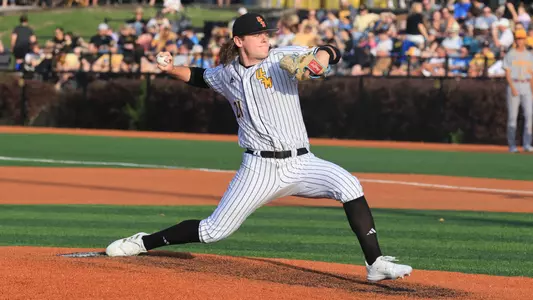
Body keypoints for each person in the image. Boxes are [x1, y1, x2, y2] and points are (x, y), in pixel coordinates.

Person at [104, 13, 413, 283]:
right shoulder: (228, 73)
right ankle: (143, 242)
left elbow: (327, 52)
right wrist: (171, 69)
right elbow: (200, 77)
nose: (266, 40)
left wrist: (323, 57)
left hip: (302, 162)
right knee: (214, 231)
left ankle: (375, 264)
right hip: (259, 169)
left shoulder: (282, 59)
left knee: (348, 184)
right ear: (239, 41)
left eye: (267, 35)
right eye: (258, 35)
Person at [502, 29, 533, 153]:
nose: (520, 40)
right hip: (514, 84)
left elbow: (531, 75)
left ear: (525, 39)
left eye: (521, 38)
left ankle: (527, 144)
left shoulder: (530, 56)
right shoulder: (510, 54)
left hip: (526, 85)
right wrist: (512, 88)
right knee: (512, 118)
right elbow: (507, 73)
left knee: (530, 115)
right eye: (518, 38)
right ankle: (512, 145)